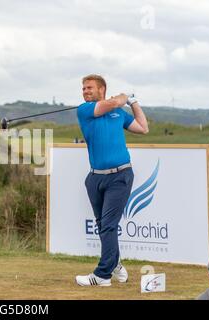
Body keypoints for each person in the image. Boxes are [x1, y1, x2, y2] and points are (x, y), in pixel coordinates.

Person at [75, 74, 149, 287]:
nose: (85, 91)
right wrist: (123, 96)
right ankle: (114, 262)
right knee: (102, 225)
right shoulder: (85, 110)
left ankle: (103, 275)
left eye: (89, 88)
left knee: (108, 224)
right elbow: (114, 102)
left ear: (101, 89)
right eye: (83, 88)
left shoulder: (118, 112)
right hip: (95, 178)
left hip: (120, 176)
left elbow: (143, 128)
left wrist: (133, 102)